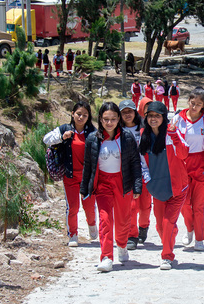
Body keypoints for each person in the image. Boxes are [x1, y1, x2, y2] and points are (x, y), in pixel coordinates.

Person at [80, 102, 142, 272]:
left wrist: (137, 186)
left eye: (113, 119)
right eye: (106, 119)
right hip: (103, 184)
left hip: (123, 182)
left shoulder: (127, 137)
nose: (109, 123)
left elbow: (135, 162)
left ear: (118, 119)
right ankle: (106, 256)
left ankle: (121, 245)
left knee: (123, 220)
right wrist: (85, 188)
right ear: (100, 119)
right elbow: (88, 164)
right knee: (105, 219)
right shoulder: (93, 139)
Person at [139, 102, 190, 270]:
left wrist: (174, 135)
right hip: (157, 187)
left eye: (157, 116)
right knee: (161, 226)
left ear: (163, 118)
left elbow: (183, 154)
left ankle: (167, 256)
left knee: (168, 223)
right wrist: (148, 181)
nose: (153, 119)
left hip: (177, 188)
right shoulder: (142, 135)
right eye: (150, 115)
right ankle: (170, 236)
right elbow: (141, 163)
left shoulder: (172, 132)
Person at [43, 101, 97, 247]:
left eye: (85, 115)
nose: (81, 117)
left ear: (88, 117)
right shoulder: (64, 129)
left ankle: (92, 225)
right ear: (72, 114)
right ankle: (73, 235)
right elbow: (46, 139)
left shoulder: (93, 132)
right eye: (78, 114)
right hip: (70, 176)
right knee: (72, 207)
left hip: (87, 178)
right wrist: (62, 137)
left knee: (89, 206)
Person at [174, 87, 204, 251]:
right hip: (182, 163)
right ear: (188, 101)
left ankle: (200, 238)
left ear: (203, 105)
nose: (194, 107)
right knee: (184, 203)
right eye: (192, 103)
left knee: (200, 205)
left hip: (201, 164)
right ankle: (190, 228)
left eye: (198, 105)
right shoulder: (178, 118)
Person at [119, 100, 150, 250]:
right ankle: (132, 235)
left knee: (145, 207)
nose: (127, 115)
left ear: (135, 112)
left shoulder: (145, 128)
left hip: (145, 173)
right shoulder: (117, 131)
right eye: (123, 112)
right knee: (131, 207)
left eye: (129, 111)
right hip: (128, 173)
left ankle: (143, 226)